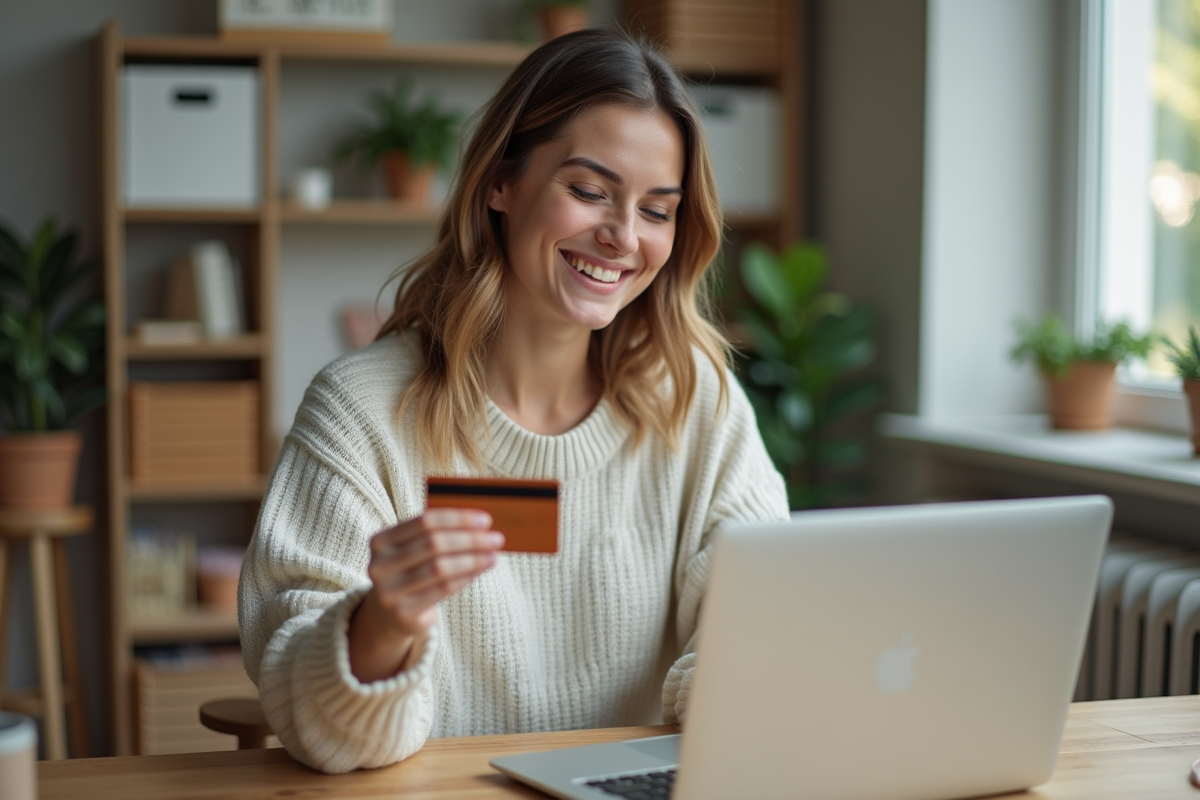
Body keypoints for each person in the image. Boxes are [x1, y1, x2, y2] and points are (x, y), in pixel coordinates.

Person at [238, 28, 788, 774]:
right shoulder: (360, 411)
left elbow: (758, 631)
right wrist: (382, 622)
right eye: (589, 192)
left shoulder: (699, 400)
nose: (623, 237)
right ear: (501, 183)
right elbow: (310, 719)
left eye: (657, 211)